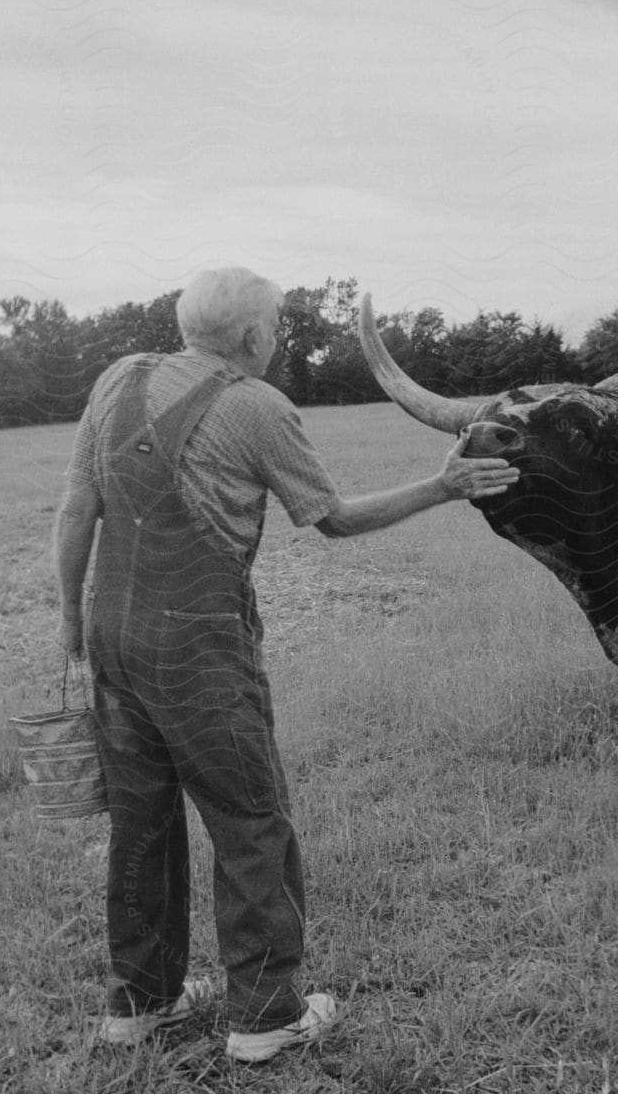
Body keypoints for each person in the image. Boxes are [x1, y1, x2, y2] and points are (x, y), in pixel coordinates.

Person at [54, 267, 518, 1061]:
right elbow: (334, 520)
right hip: (199, 649)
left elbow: (76, 509)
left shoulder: (117, 381)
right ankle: (267, 1017)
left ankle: (140, 1003)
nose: (279, 338)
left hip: (111, 637)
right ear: (253, 338)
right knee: (249, 820)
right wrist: (444, 487)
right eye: (277, 327)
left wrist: (70, 623)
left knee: (141, 821)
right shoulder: (256, 408)